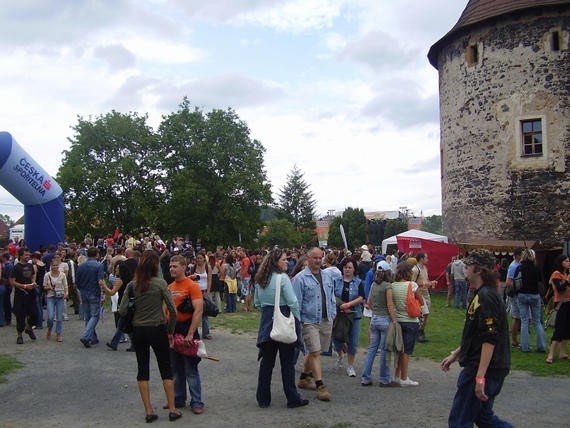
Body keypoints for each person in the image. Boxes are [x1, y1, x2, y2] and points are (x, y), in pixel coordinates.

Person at [441, 249, 513, 428]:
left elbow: (490, 338)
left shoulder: (486, 297)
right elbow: (476, 334)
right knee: (484, 419)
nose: (465, 267)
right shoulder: (481, 293)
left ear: (479, 270)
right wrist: (457, 353)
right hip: (490, 368)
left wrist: (480, 377)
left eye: (469, 264)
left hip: (481, 369)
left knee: (459, 422)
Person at [118, 250, 180, 423]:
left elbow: (122, 311)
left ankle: (149, 410)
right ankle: (173, 409)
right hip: (158, 328)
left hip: (138, 330)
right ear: (155, 265)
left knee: (143, 370)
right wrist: (170, 330)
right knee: (166, 369)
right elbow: (173, 311)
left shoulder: (132, 285)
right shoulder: (161, 284)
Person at [254, 249, 307, 409]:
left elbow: (257, 303)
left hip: (267, 321)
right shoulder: (282, 278)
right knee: (287, 362)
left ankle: (263, 398)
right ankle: (292, 398)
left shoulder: (260, 279)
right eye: (284, 259)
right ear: (276, 261)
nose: (287, 262)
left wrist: (268, 312)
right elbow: (292, 302)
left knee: (267, 362)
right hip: (283, 319)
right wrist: (297, 319)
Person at [292, 247, 336, 401]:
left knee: (315, 351)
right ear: (308, 258)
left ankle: (303, 378)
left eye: (320, 258)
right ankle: (321, 387)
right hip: (309, 320)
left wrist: (333, 313)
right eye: (314, 258)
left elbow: (331, 296)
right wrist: (299, 322)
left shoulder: (327, 276)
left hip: (326, 319)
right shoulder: (300, 279)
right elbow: (295, 302)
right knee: (315, 352)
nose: (318, 261)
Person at [168, 255, 205, 414]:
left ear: (184, 267)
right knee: (176, 368)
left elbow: (198, 310)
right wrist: (168, 331)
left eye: (175, 266)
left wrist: (190, 334)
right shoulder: (169, 287)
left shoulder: (192, 286)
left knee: (190, 368)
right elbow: (166, 311)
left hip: (187, 329)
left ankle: (197, 402)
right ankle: (178, 398)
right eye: (170, 266)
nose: (172, 269)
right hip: (173, 330)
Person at [361, 261, 398, 387]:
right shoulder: (388, 286)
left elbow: (369, 303)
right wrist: (394, 320)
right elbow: (390, 304)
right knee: (384, 350)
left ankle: (365, 377)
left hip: (374, 318)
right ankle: (384, 378)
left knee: (372, 349)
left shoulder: (373, 285)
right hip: (385, 319)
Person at [390, 262, 424, 386]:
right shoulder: (412, 285)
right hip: (411, 321)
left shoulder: (392, 286)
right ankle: (404, 378)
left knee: (399, 349)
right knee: (406, 351)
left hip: (398, 320)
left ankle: (396, 375)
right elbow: (422, 301)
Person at [332, 257, 365, 377]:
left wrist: (349, 305)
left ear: (354, 269)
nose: (347, 270)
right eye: (345, 267)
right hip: (339, 314)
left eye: (350, 267)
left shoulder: (359, 282)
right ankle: (340, 354)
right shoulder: (336, 281)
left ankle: (350, 366)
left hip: (354, 315)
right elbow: (332, 296)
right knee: (337, 339)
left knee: (353, 341)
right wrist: (341, 306)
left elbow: (361, 297)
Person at [516, 249, 546, 353]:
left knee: (524, 321)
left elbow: (516, 281)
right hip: (534, 294)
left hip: (522, 294)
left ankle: (525, 347)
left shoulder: (519, 268)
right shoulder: (536, 267)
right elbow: (539, 279)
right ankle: (541, 346)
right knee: (537, 322)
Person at [76, 247, 105, 348]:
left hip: (84, 291)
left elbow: (77, 281)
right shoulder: (98, 266)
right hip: (94, 292)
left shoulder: (81, 266)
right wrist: (102, 292)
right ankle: (86, 336)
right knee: (95, 315)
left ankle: (92, 337)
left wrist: (82, 289)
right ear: (96, 254)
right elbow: (100, 281)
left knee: (87, 315)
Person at [10, 247, 38, 344]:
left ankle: (29, 329)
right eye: (26, 255)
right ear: (20, 255)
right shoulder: (16, 268)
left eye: (28, 254)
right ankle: (19, 335)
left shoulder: (30, 266)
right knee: (20, 315)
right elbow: (12, 282)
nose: (28, 256)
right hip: (21, 294)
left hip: (31, 293)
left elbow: (33, 275)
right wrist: (25, 286)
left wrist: (33, 282)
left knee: (35, 314)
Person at [545, 254, 570, 363]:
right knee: (559, 329)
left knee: (567, 329)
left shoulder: (566, 274)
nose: (568, 263)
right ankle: (550, 355)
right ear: (561, 262)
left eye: (569, 261)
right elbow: (560, 288)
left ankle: (563, 352)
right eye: (566, 261)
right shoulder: (557, 274)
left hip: (569, 303)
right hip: (560, 304)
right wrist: (568, 280)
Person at [411, 251, 436, 343]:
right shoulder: (415, 270)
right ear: (421, 259)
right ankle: (420, 332)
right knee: (425, 313)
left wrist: (431, 282)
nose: (428, 260)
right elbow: (412, 283)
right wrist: (424, 283)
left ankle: (418, 331)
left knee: (425, 314)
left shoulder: (425, 268)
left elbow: (426, 279)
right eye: (426, 258)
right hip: (419, 295)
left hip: (426, 294)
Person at [44, 259, 68, 342]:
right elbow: (44, 286)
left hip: (60, 297)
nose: (55, 267)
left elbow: (65, 285)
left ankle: (58, 334)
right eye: (53, 265)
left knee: (59, 317)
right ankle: (49, 328)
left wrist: (66, 292)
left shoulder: (62, 275)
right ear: (51, 266)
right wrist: (48, 288)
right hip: (50, 296)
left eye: (56, 265)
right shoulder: (47, 275)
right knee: (50, 316)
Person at [189, 251, 212, 339]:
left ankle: (206, 332)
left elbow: (209, 280)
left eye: (200, 258)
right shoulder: (193, 267)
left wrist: (208, 291)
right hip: (195, 291)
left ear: (204, 259)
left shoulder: (207, 267)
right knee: (195, 312)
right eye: (197, 258)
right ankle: (194, 331)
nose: (198, 260)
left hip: (204, 290)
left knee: (204, 312)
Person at [505, 248, 523, 348]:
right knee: (516, 317)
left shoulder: (519, 265)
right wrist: (518, 291)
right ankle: (515, 340)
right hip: (516, 295)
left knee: (519, 317)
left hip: (518, 294)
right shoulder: (513, 266)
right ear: (517, 255)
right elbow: (508, 282)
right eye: (521, 254)